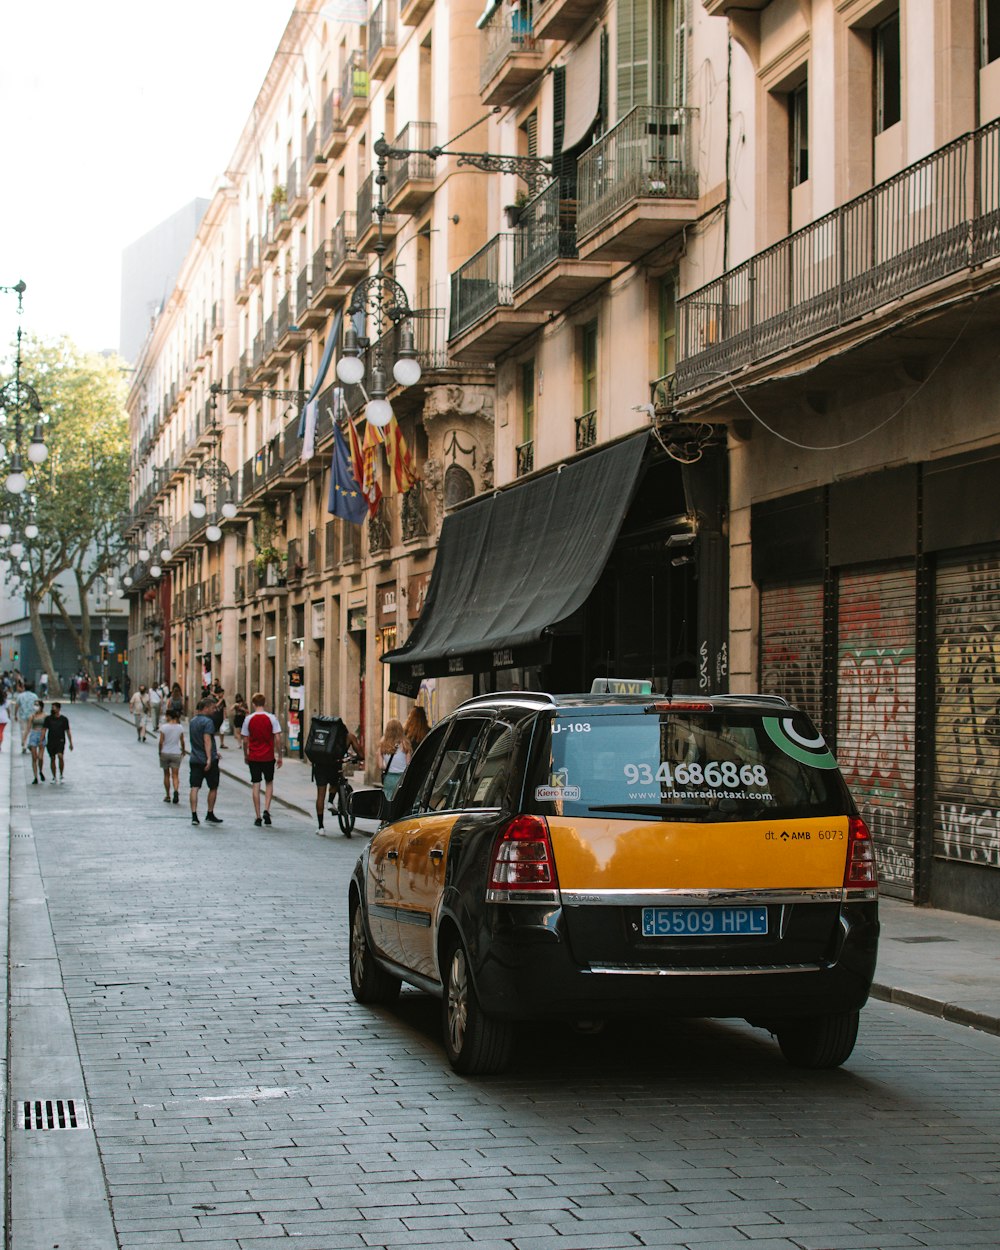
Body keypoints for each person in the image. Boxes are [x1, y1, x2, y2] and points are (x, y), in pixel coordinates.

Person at [312, 717, 361, 837]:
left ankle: (321, 827)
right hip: (334, 765)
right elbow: (361, 753)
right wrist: (358, 757)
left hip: (319, 766)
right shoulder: (349, 737)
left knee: (320, 795)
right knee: (335, 781)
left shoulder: (326, 736)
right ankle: (330, 801)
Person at [241, 692, 283, 826]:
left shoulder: (248, 719)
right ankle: (267, 809)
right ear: (264, 703)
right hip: (268, 756)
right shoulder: (272, 718)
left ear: (253, 704)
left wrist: (246, 755)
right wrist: (279, 755)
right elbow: (277, 737)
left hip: (254, 756)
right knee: (269, 782)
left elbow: (245, 740)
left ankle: (258, 815)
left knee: (256, 784)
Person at [188, 696, 223, 826]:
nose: (215, 710)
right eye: (213, 708)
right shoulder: (208, 722)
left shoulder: (192, 721)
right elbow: (207, 740)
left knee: (194, 787)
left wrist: (214, 751)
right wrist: (209, 758)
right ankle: (210, 812)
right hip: (207, 760)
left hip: (195, 758)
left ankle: (194, 815)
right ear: (206, 708)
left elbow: (196, 740)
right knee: (213, 787)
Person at [378, 718, 411, 800]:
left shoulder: (382, 744)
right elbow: (408, 764)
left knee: (389, 798)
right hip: (402, 778)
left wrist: (389, 766)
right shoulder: (405, 743)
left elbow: (381, 765)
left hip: (389, 778)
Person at [158, 708, 186, 804]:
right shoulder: (180, 727)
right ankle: (176, 790)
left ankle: (168, 795)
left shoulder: (164, 727)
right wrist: (183, 750)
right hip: (176, 752)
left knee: (166, 774)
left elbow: (161, 741)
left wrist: (159, 752)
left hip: (165, 752)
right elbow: (182, 741)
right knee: (175, 775)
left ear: (169, 716)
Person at [42, 702, 73, 783]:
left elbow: (67, 731)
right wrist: (42, 739)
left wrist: (71, 743)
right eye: (52, 707)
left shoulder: (64, 719)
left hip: (60, 740)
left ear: (59, 709)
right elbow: (44, 729)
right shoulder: (48, 719)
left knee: (60, 756)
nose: (52, 709)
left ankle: (61, 774)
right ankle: (54, 776)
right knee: (52, 758)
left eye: (54, 707)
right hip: (51, 740)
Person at [27, 699, 48, 783]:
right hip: (33, 735)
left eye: (37, 705)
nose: (35, 706)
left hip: (41, 735)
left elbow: (47, 727)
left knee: (40, 758)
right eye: (34, 704)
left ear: (41, 706)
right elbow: (28, 728)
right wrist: (24, 739)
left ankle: (40, 771)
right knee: (34, 758)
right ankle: (35, 777)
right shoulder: (32, 716)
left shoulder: (45, 716)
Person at [16, 684, 40, 754]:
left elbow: (17, 705)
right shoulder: (34, 696)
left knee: (23, 730)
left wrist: (15, 714)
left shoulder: (20, 696)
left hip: (22, 715)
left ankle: (24, 745)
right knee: (31, 730)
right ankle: (30, 744)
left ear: (24, 688)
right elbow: (37, 705)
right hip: (32, 716)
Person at [0, 688, 9, 752]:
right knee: (1, 732)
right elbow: (8, 709)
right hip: (3, 718)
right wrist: (9, 716)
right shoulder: (5, 701)